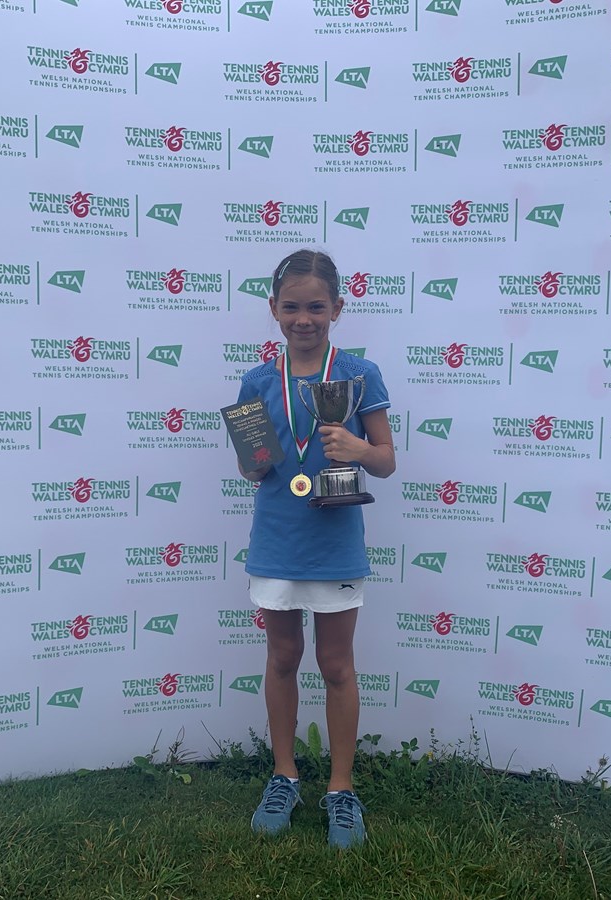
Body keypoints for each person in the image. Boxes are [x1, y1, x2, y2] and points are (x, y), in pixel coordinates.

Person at [234, 248, 396, 849]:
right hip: (276, 538)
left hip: (334, 541)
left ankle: (341, 788)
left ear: (338, 308)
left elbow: (385, 461)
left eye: (317, 307)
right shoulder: (256, 380)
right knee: (281, 656)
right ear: (274, 309)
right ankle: (284, 775)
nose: (304, 319)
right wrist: (255, 460)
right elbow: (254, 469)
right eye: (293, 307)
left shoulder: (359, 374)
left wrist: (356, 451)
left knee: (336, 665)